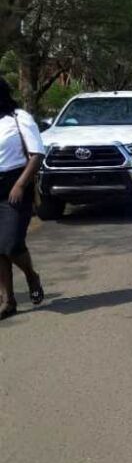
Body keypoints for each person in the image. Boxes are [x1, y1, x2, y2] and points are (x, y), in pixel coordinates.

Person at [0, 77, 45, 320]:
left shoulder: (19, 118)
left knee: (11, 244)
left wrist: (19, 184)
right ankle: (8, 301)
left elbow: (37, 154)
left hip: (15, 185)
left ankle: (31, 276)